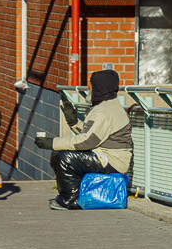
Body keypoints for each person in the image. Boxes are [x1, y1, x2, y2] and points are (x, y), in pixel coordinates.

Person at [46, 69, 132, 210]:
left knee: (65, 157)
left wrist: (53, 143)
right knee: (59, 153)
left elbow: (87, 142)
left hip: (113, 161)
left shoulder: (104, 112)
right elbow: (94, 136)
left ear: (99, 87)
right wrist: (74, 123)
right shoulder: (107, 106)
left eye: (91, 86)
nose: (88, 89)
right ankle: (75, 194)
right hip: (105, 155)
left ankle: (70, 200)